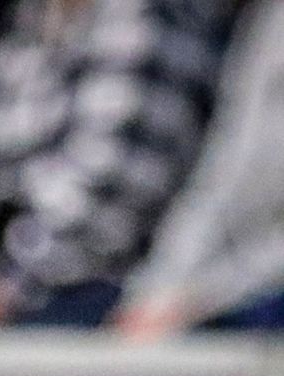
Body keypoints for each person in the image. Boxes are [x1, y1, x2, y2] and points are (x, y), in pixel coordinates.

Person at [0, 0, 234, 327]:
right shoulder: (35, 15)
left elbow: (107, 206)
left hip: (103, 303)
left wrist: (0, 287)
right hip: (21, 284)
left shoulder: (151, 17)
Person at [114, 0, 284, 337]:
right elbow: (219, 177)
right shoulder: (268, 22)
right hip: (227, 290)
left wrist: (207, 297)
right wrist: (156, 291)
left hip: (253, 293)